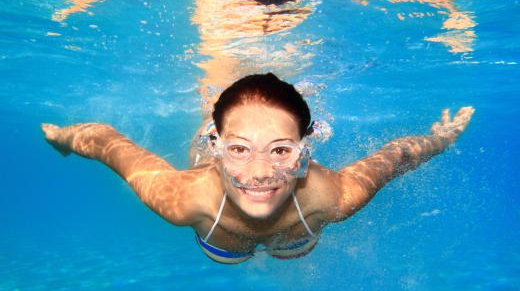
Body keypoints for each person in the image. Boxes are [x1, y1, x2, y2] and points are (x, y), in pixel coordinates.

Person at [41, 73, 474, 264]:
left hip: (297, 232)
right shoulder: (183, 199)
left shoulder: (334, 197)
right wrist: (64, 139)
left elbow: (397, 157)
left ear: (304, 151)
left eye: (282, 151)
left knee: (294, 250)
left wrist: (443, 138)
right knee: (234, 257)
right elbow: (105, 143)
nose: (260, 172)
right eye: (239, 149)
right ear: (216, 146)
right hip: (222, 241)